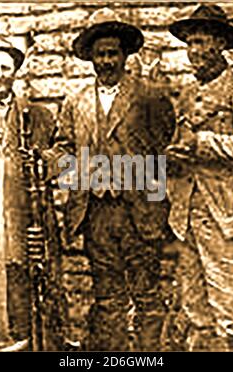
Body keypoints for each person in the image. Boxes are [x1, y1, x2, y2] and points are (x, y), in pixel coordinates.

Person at [44, 8, 176, 351]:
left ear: (125, 55)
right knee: (107, 294)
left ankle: (149, 354)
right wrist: (72, 171)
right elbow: (62, 149)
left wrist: (133, 177)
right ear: (90, 58)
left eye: (112, 53)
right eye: (99, 54)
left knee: (147, 293)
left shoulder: (149, 96)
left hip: (139, 212)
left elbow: (165, 150)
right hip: (96, 213)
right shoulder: (76, 102)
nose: (106, 61)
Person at [166, 4, 233, 351]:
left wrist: (202, 143)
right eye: (189, 43)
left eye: (201, 42)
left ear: (220, 43)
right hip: (187, 215)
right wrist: (174, 155)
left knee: (230, 311)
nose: (194, 51)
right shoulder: (188, 93)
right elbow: (183, 147)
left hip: (226, 215)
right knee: (195, 310)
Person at [0, 38, 60, 351]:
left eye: (6, 67)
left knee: (23, 299)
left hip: (22, 224)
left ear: (15, 72)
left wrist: (48, 163)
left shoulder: (36, 117)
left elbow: (61, 160)